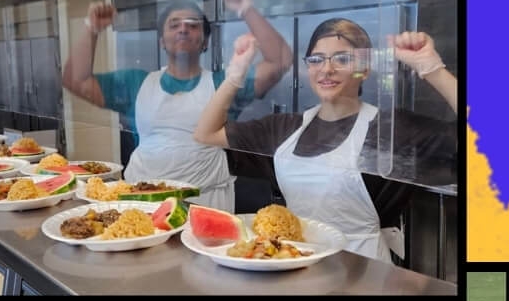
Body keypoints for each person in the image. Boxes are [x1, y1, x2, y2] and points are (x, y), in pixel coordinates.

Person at [193, 19, 458, 261]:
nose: (327, 69)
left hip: (364, 270)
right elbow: (206, 133)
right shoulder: (284, 127)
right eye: (317, 59)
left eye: (342, 59)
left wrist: (432, 69)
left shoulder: (391, 129)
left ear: (363, 70)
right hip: (294, 261)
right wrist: (235, 77)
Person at [60, 0, 291, 212]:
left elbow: (280, 61)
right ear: (162, 40)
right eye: (174, 24)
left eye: (192, 25)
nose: (183, 29)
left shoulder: (227, 83)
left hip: (206, 200)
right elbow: (75, 80)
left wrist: (247, 9)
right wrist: (91, 29)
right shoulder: (136, 83)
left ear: (204, 42)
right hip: (142, 198)